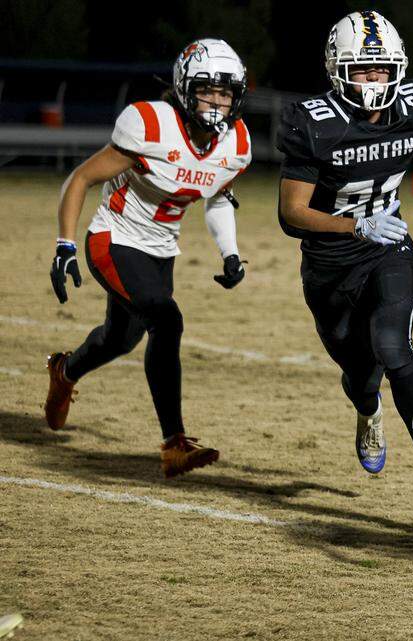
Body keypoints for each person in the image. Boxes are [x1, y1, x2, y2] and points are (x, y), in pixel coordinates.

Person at [276, 10, 413, 518]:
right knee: (360, 373)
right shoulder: (315, 123)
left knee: (394, 347)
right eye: (364, 70)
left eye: (384, 69)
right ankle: (368, 409)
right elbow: (291, 213)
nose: (375, 80)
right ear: (337, 69)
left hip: (388, 247)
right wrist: (353, 226)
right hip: (328, 262)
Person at [45, 39, 252, 478]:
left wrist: (230, 252)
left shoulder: (236, 143)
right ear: (183, 87)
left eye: (225, 92)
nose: (216, 102)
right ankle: (175, 442)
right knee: (167, 320)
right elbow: (81, 177)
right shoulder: (150, 124)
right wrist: (64, 244)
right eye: (207, 90)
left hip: (162, 249)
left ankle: (65, 371)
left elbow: (217, 198)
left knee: (121, 339)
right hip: (114, 238)